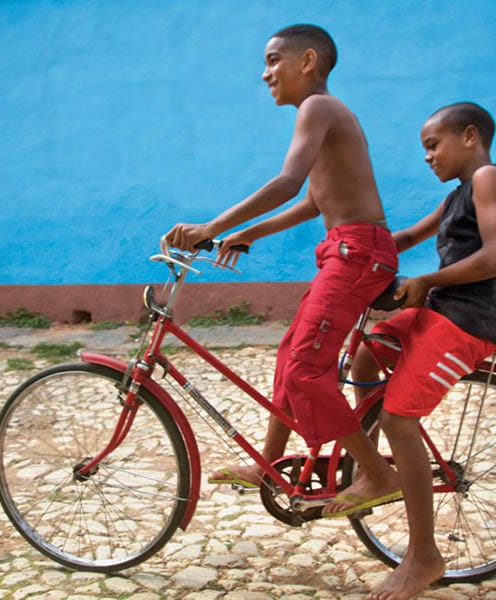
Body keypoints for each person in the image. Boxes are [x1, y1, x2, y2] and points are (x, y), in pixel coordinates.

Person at [165, 24, 405, 515]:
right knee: (290, 353)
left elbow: (288, 182)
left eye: (274, 60)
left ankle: (378, 474)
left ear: (308, 61)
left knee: (306, 370)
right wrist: (251, 233)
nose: (265, 72)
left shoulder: (319, 107)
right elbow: (315, 201)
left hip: (358, 253)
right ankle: (270, 463)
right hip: (347, 250)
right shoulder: (319, 115)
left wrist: (211, 224)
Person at [348, 102, 496, 600]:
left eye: (433, 144)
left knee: (399, 420)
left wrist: (425, 279)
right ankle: (373, 470)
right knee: (366, 351)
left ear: (470, 136)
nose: (427, 157)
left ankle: (424, 555)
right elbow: (407, 236)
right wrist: (353, 251)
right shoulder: (456, 198)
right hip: (439, 311)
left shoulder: (490, 179)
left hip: (470, 321)